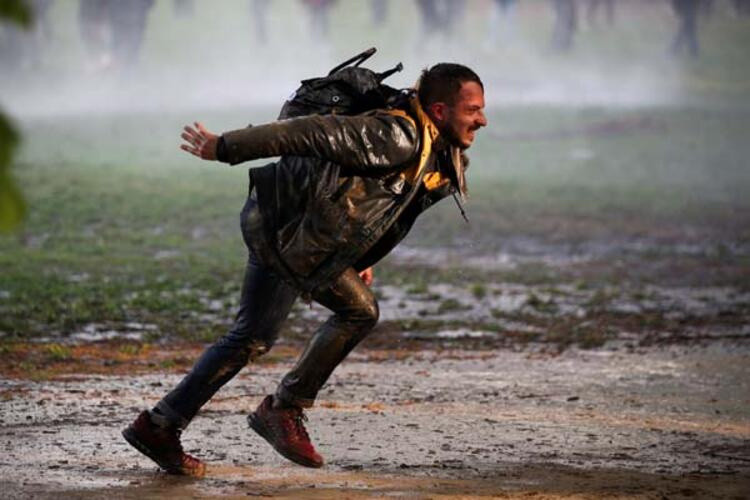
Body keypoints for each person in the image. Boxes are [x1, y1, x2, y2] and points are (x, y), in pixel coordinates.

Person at [122, 63, 487, 476]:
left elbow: (388, 210)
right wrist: (223, 147)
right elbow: (308, 131)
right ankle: (283, 408)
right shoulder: (395, 136)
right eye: (473, 110)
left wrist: (358, 260)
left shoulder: (436, 149)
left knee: (251, 336)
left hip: (290, 228)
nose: (482, 119)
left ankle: (159, 426)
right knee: (358, 312)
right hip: (293, 237)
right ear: (439, 110)